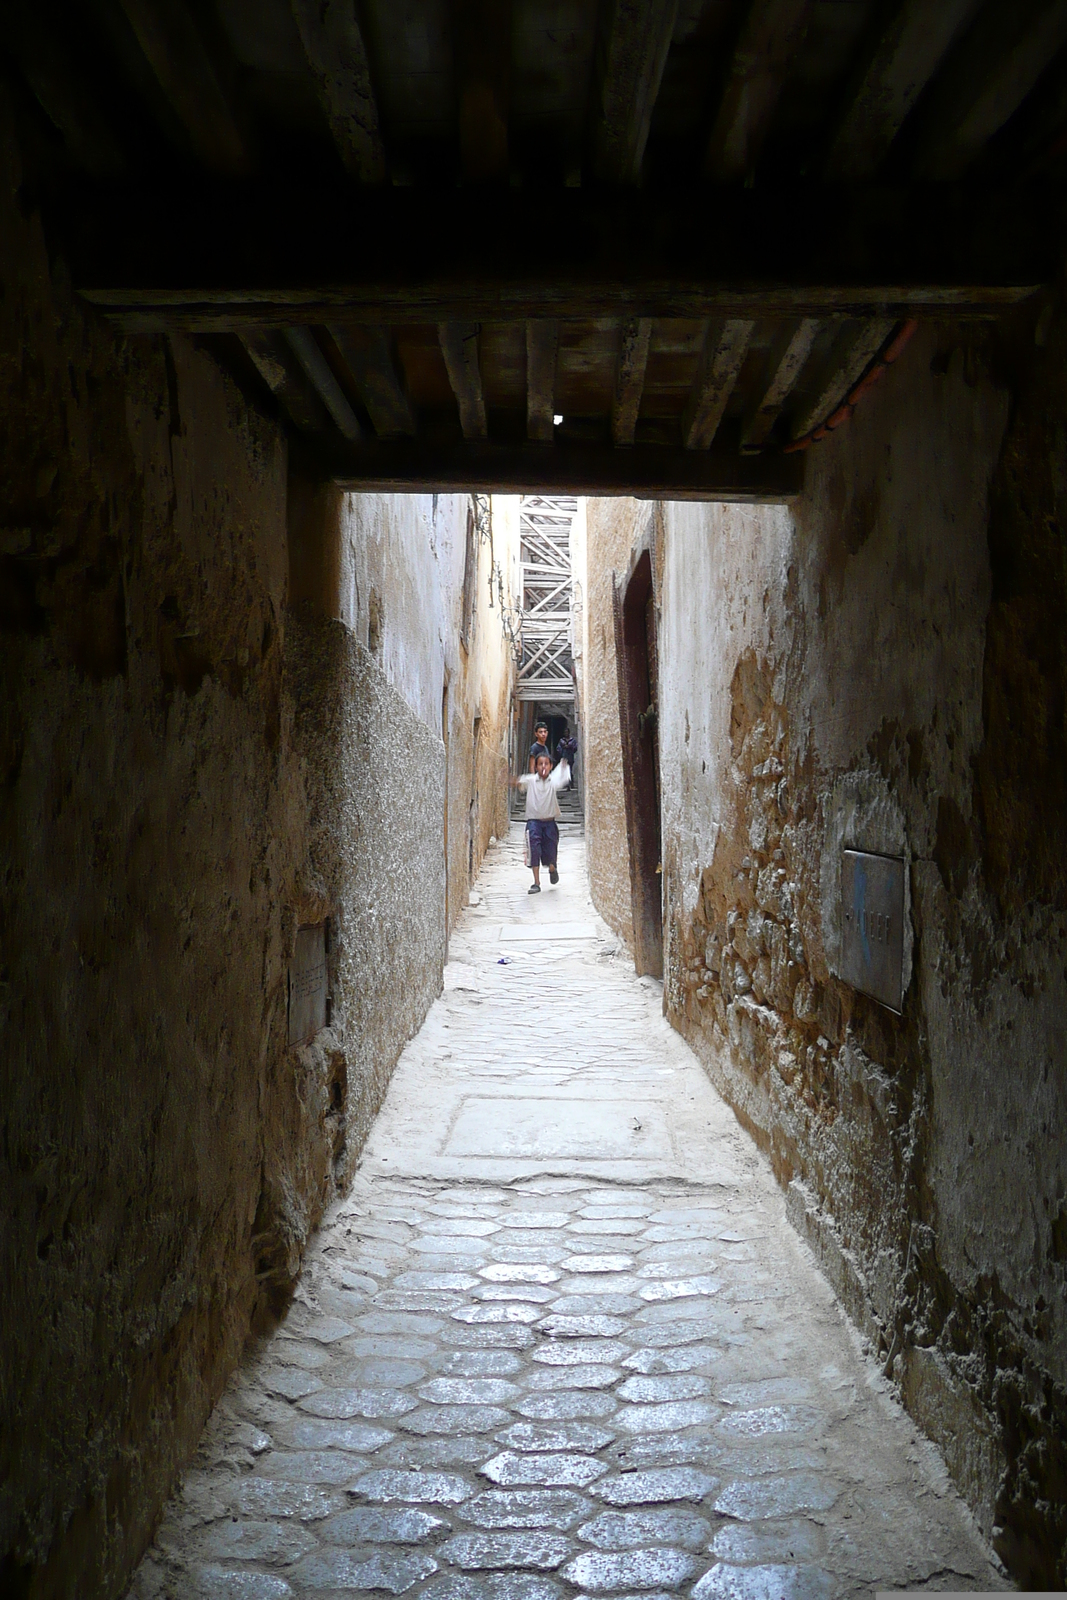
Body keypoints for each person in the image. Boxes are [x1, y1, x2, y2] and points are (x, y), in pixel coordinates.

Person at [510, 749, 564, 893]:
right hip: (533, 823)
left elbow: (562, 776)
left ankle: (552, 868)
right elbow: (517, 782)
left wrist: (564, 766)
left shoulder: (554, 781)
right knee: (534, 850)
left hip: (550, 823)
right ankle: (536, 882)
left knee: (550, 853)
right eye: (540, 764)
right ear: (536, 767)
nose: (543, 767)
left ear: (551, 766)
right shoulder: (531, 780)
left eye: (546, 764)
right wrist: (507, 779)